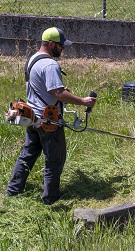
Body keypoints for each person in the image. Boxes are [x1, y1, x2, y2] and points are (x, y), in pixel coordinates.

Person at [6, 27, 96, 205]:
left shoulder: (32, 59)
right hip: (49, 121)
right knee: (55, 159)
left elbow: (41, 87)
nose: (63, 49)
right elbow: (58, 93)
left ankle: (13, 191)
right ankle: (50, 199)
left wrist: (60, 93)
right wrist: (83, 101)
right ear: (52, 44)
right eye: (61, 46)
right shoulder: (50, 64)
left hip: (31, 117)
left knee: (28, 155)